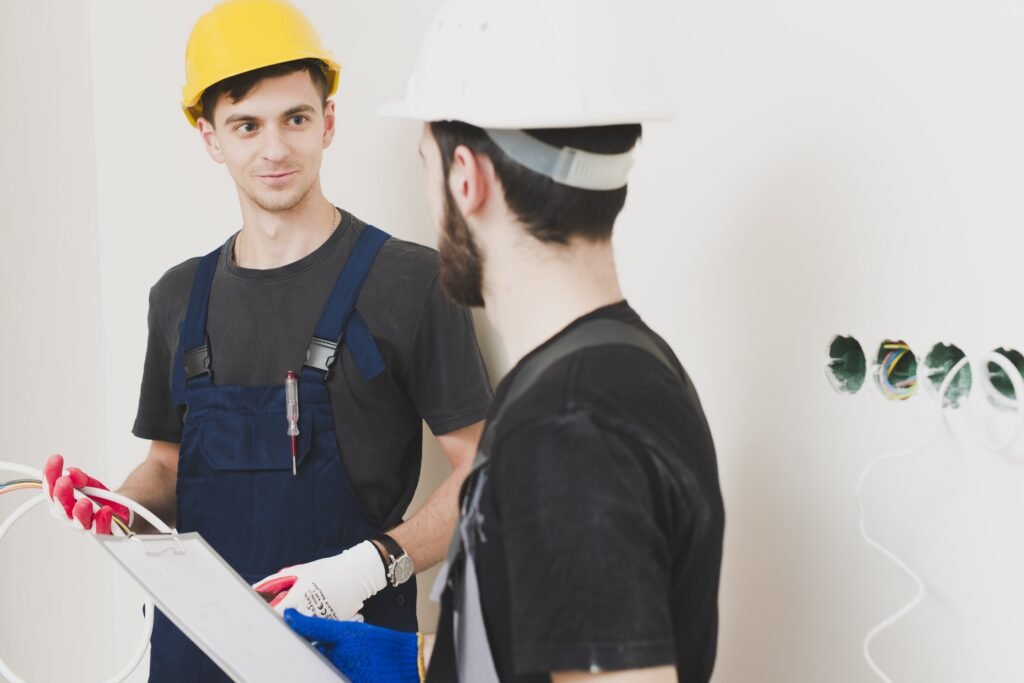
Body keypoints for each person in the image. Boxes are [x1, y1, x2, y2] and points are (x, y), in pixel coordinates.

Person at [43, 1, 493, 680]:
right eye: (246, 125)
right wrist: (119, 512)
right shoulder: (177, 298)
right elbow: (166, 468)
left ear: (328, 122)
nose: (275, 148)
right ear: (210, 137)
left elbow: (482, 467)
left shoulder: (409, 281)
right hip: (195, 659)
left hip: (349, 652)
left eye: (296, 119)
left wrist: (373, 563)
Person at [282, 1, 726, 682]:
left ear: (468, 177)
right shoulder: (611, 370)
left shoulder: (568, 432)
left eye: (424, 165)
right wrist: (407, 667)